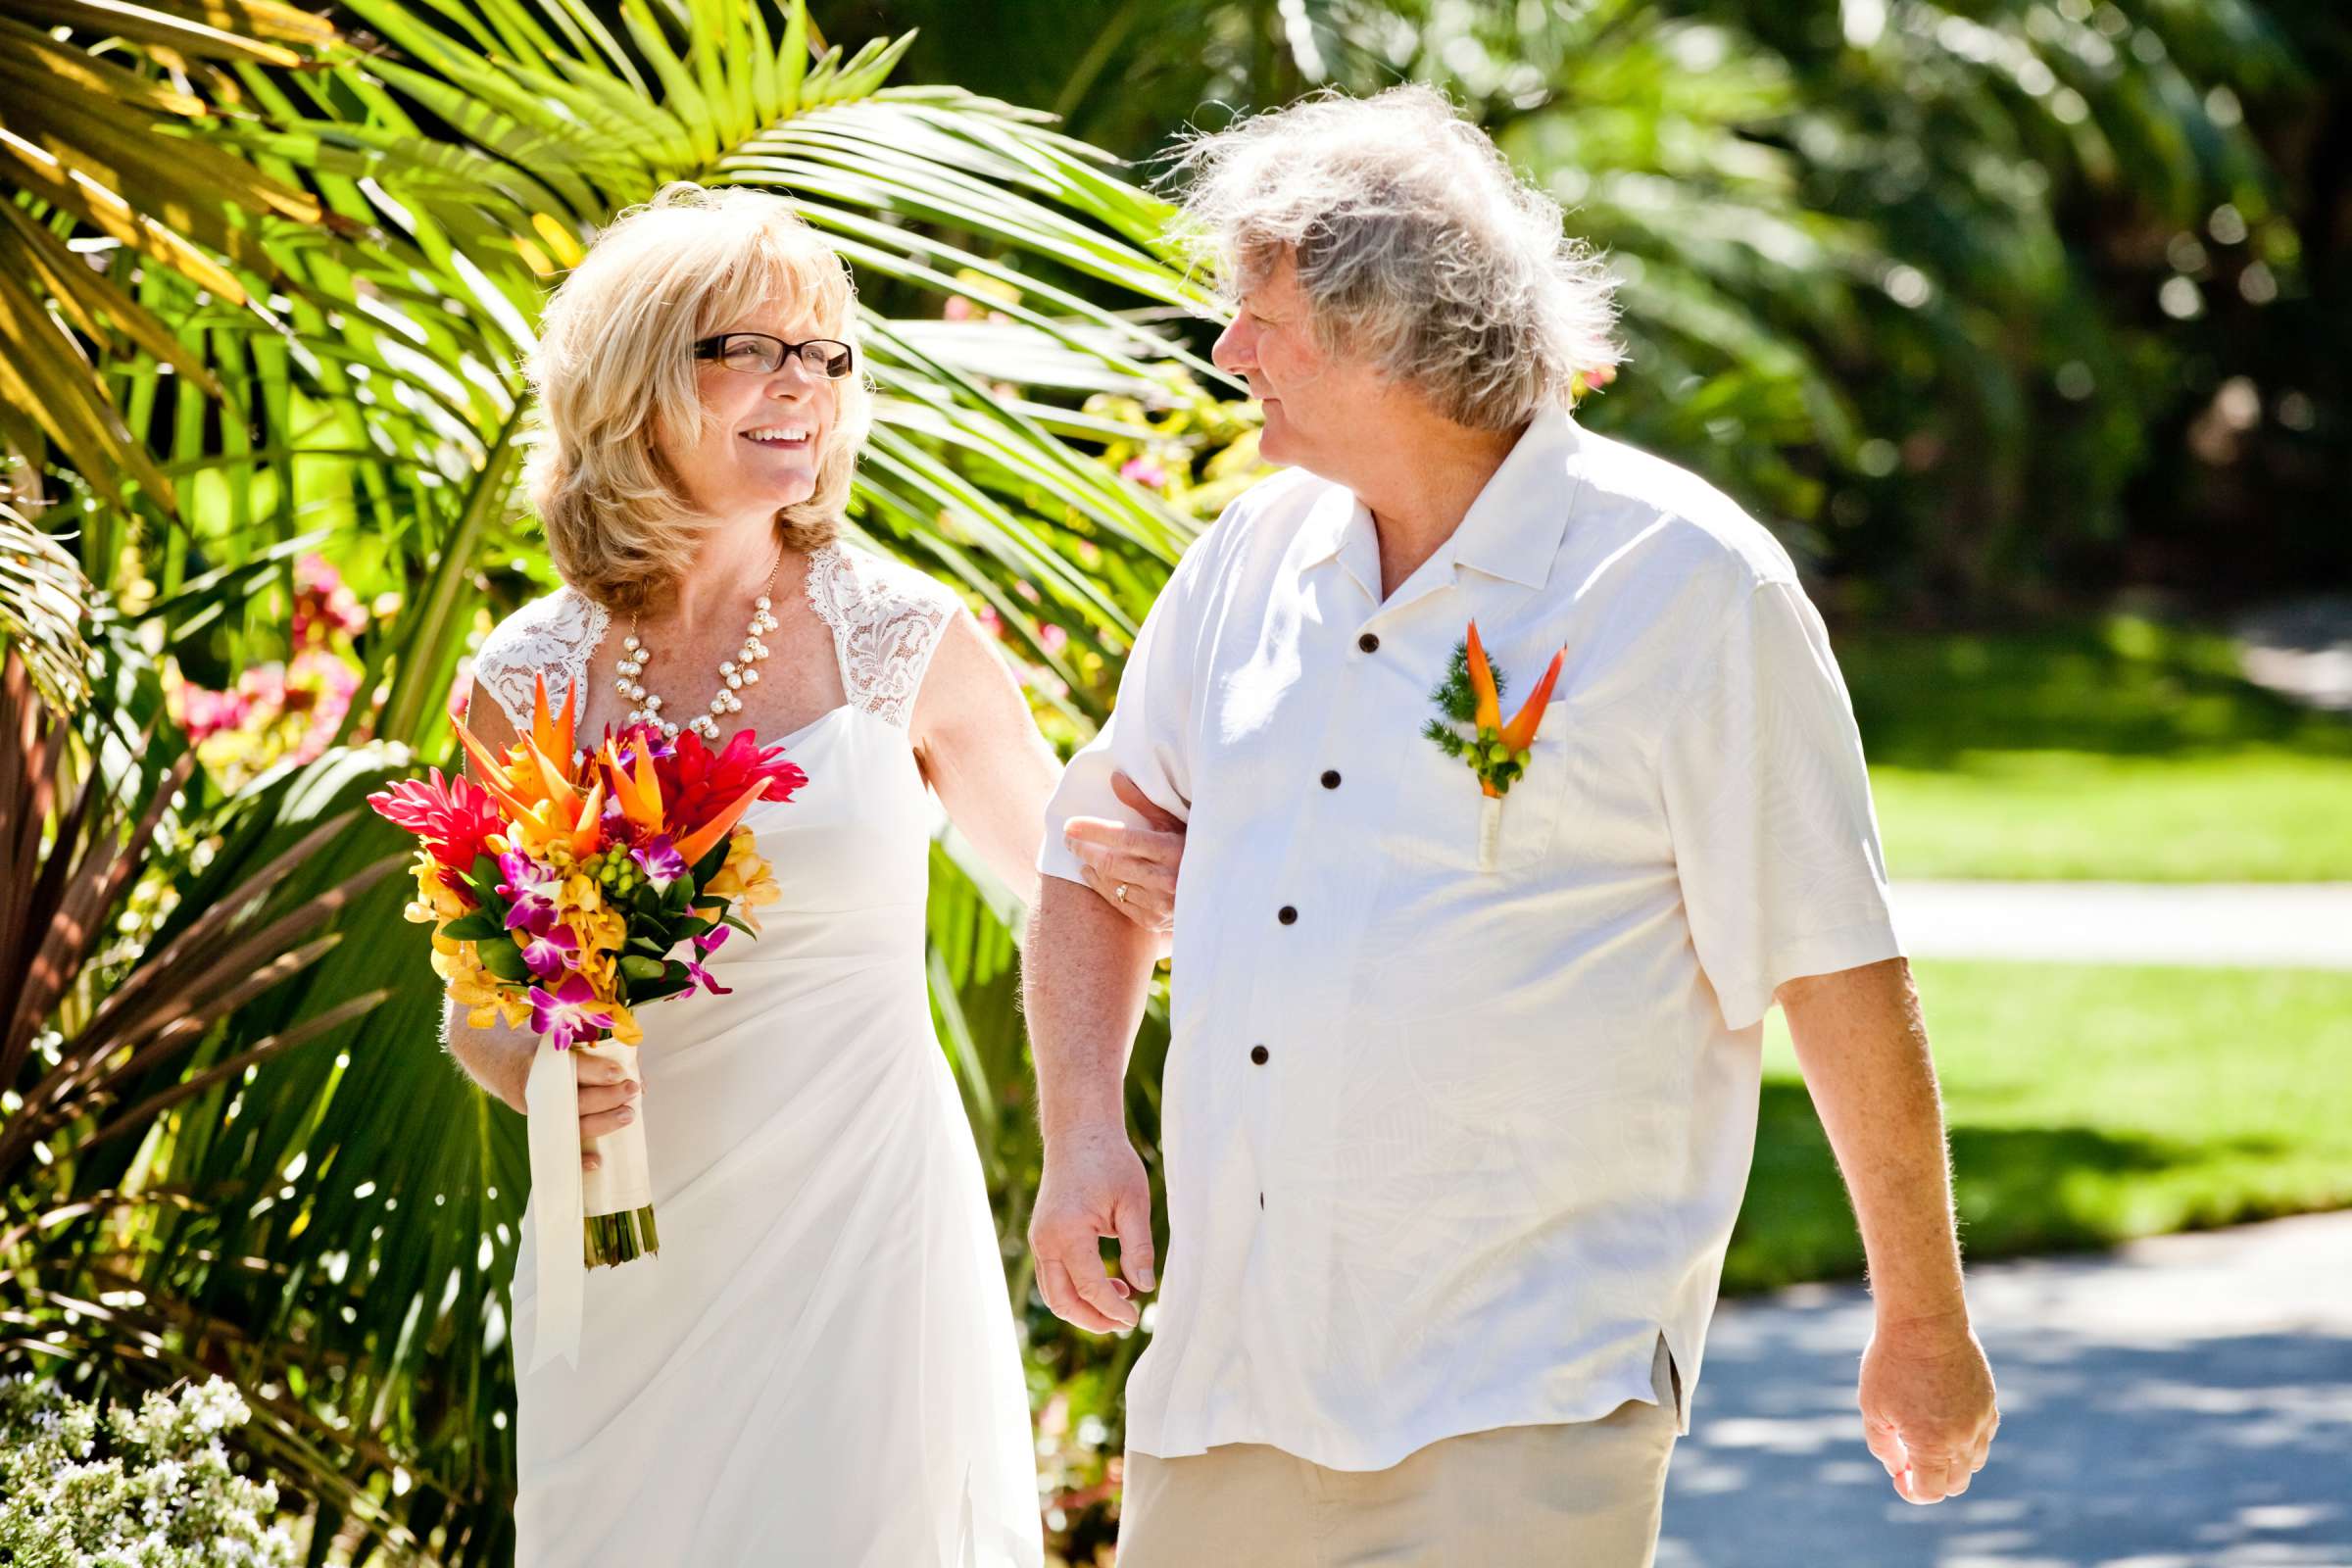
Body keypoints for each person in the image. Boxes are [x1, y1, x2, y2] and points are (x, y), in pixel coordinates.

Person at [1023, 86, 1999, 1566]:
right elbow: (1089, 855)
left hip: (1522, 1393)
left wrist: (1922, 1320)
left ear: (1387, 334)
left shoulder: (1684, 587)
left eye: (1261, 320)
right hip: (1224, 1390)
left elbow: (1835, 960)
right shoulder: (1245, 561)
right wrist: (1083, 1123)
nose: (1226, 355)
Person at [441, 182, 1175, 1567]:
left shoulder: (901, 637)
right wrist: (541, 1066)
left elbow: (1089, 886)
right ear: (638, 379)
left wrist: (1108, 1118)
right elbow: (477, 1007)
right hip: (627, 1256)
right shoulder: (528, 678)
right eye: (754, 350)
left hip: (866, 1242)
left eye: (827, 356)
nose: (806, 388)